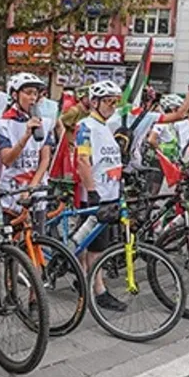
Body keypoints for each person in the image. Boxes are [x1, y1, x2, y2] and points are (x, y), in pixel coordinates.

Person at [74, 80, 130, 312]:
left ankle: (82, 278)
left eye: (115, 102)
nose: (112, 107)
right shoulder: (86, 126)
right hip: (94, 196)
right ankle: (99, 291)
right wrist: (92, 191)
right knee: (94, 246)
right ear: (94, 102)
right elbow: (82, 160)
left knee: (88, 243)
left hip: (110, 194)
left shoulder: (106, 126)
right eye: (108, 102)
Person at [0, 73, 54, 205]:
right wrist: (26, 136)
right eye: (28, 93)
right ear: (15, 95)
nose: (33, 98)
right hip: (11, 189)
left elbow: (45, 159)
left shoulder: (45, 122)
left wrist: (31, 188)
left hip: (36, 190)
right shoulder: (3, 123)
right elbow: (7, 160)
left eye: (35, 93)